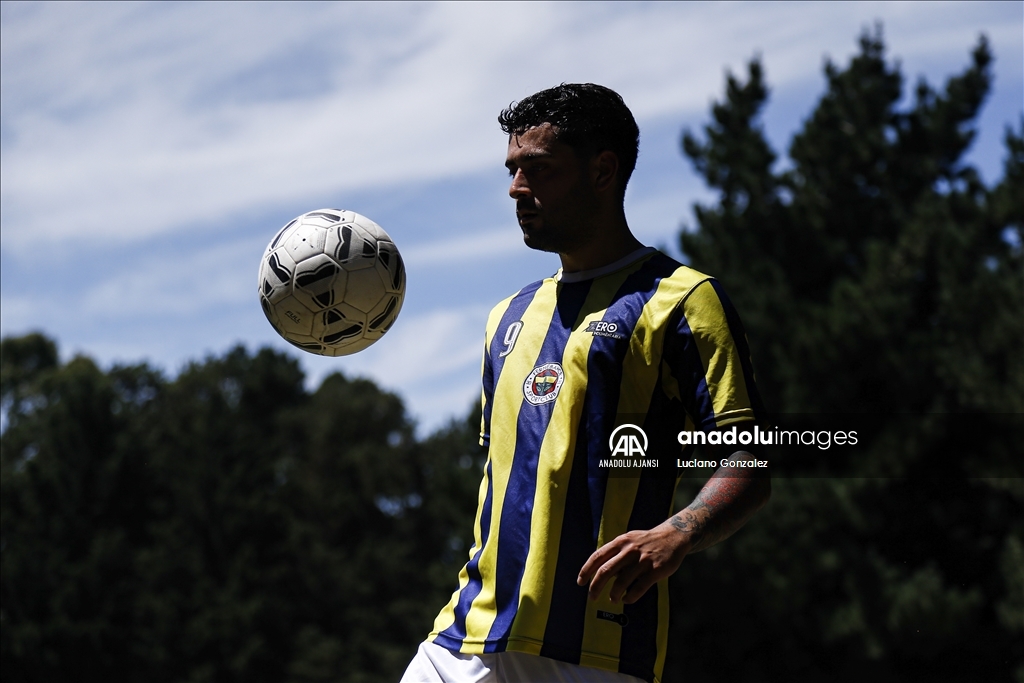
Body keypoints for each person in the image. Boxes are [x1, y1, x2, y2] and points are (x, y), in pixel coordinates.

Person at [401, 84, 770, 683]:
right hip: (466, 635)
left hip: (597, 647)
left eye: (539, 168)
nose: (517, 188)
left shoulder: (683, 300)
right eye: (512, 169)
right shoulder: (506, 317)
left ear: (603, 171)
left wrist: (677, 532)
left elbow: (749, 460)